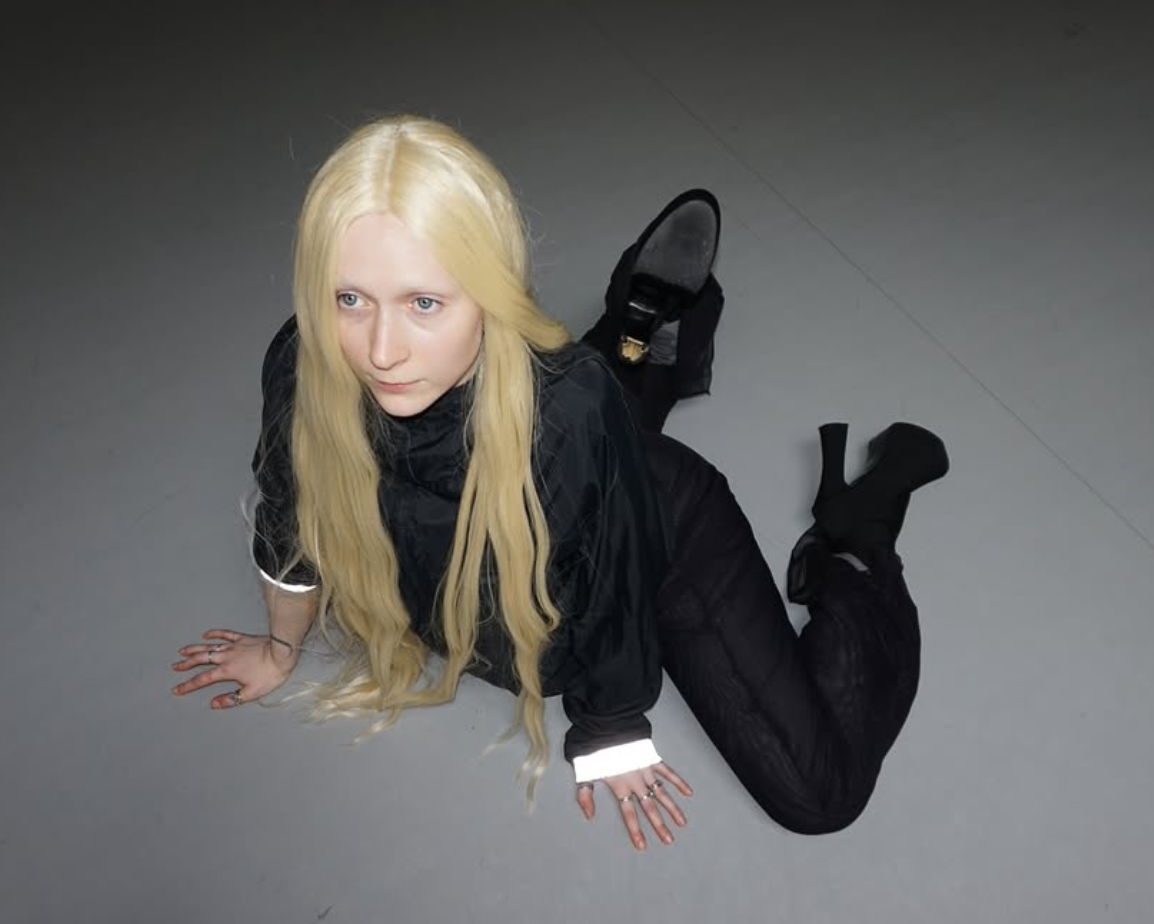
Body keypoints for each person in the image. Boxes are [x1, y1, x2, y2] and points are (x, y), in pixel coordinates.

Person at [171, 115, 949, 850]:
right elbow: (288, 508)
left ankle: (860, 537)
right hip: (572, 455)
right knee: (576, 425)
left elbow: (610, 581)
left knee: (820, 796)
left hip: (662, 532)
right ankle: (643, 324)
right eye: (350, 299)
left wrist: (610, 727)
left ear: (491, 293)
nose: (380, 350)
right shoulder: (303, 364)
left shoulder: (566, 418)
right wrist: (280, 648)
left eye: (424, 303)